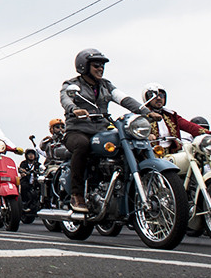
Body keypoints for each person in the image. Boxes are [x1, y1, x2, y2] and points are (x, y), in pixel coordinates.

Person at [60, 48, 159, 213]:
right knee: (82, 145)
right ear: (84, 66)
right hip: (78, 130)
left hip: (101, 129)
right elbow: (65, 98)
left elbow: (124, 99)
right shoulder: (72, 85)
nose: (100, 68)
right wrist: (74, 109)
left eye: (102, 65)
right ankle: (76, 194)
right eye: (96, 65)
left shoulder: (106, 85)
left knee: (127, 144)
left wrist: (146, 112)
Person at [142, 83, 211, 153]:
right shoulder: (140, 116)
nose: (159, 98)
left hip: (172, 154)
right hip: (150, 153)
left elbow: (190, 126)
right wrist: (147, 136)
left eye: (161, 95)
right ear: (146, 98)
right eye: (153, 95)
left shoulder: (171, 115)